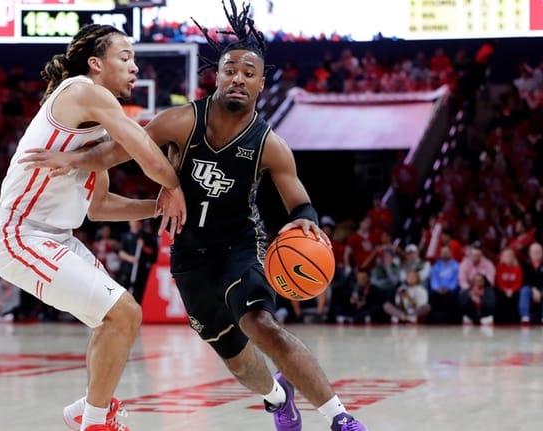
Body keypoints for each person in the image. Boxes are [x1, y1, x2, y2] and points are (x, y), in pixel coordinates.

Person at [19, 3, 368, 430]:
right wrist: (72, 160)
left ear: (260, 84)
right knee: (239, 362)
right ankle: (278, 398)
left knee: (261, 325)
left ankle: (340, 418)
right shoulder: (180, 121)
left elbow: (300, 201)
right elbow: (113, 152)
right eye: (229, 71)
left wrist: (306, 219)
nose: (237, 78)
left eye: (248, 73)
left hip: (241, 244)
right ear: (217, 77)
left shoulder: (271, 145)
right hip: (189, 255)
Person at [0, 23, 186, 431]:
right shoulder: (82, 90)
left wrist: (160, 206)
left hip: (55, 237)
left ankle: (88, 412)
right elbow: (143, 149)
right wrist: (176, 186)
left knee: (116, 319)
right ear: (96, 64)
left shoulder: (92, 128)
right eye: (125, 58)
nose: (135, 67)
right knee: (124, 313)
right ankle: (95, 423)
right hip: (20, 234)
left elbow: (100, 207)